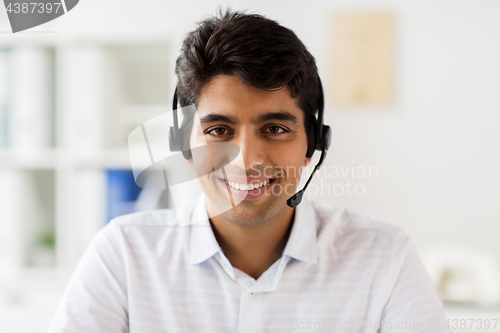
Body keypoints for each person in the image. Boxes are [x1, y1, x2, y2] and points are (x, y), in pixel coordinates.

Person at [48, 10, 450, 333]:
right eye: (219, 130)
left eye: (274, 129)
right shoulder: (123, 253)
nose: (247, 160)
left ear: (313, 143)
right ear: (182, 142)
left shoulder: (384, 255)